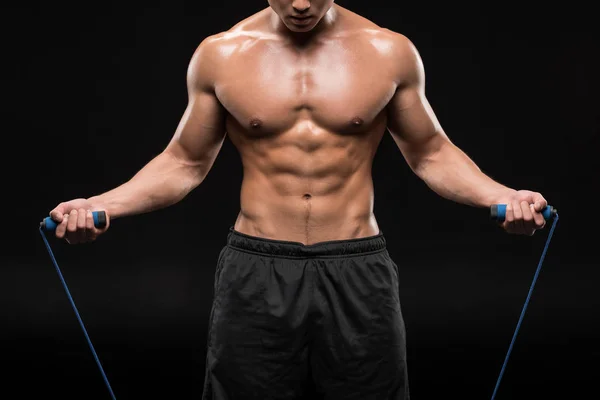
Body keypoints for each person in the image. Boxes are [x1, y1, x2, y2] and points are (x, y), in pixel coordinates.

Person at [47, 1, 549, 399]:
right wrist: (104, 203)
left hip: (357, 266)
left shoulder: (387, 51)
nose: (302, 4)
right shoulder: (221, 53)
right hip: (256, 268)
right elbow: (185, 162)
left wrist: (500, 196)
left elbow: (430, 153)